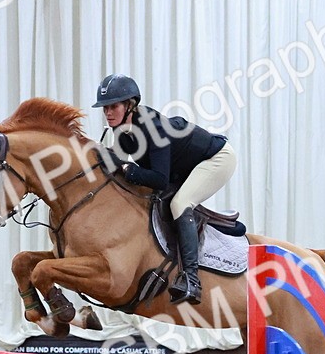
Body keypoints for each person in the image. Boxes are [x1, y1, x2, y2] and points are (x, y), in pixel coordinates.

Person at [93, 74, 236, 305]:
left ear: (130, 105)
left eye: (114, 106)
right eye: (105, 108)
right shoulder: (121, 129)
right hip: (184, 166)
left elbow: (158, 179)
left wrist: (128, 168)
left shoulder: (154, 128)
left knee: (180, 203)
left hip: (216, 159)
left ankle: (191, 279)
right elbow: (117, 164)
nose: (108, 112)